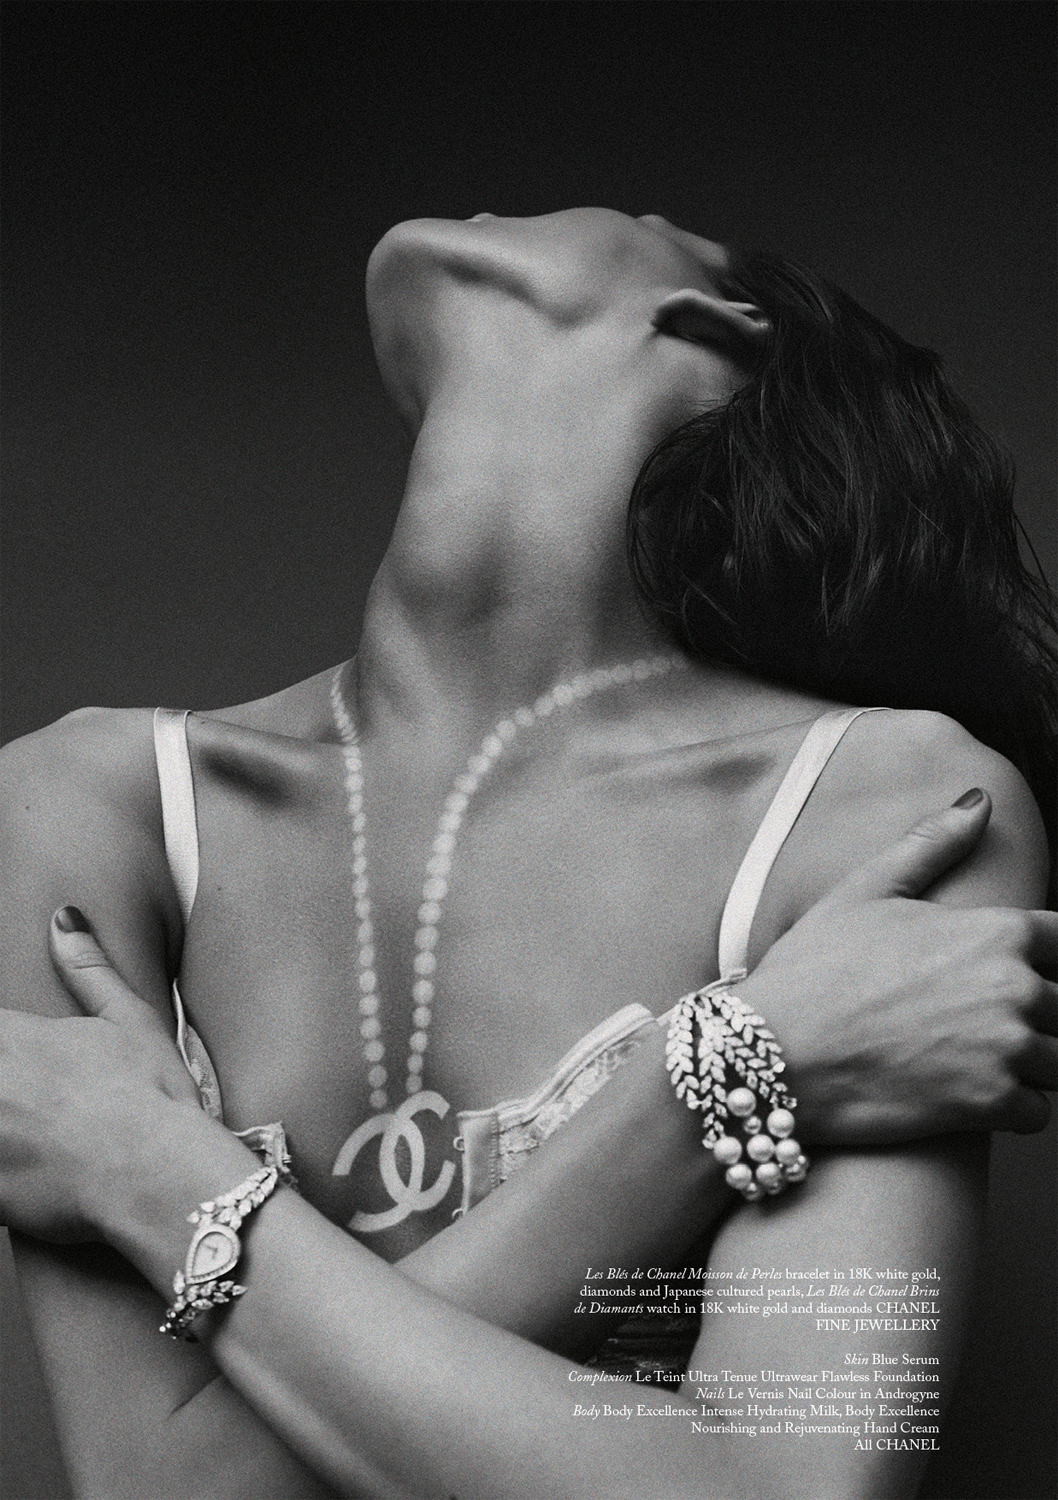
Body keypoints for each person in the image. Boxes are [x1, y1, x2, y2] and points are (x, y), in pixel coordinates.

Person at [0, 208, 1054, 1500]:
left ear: (719, 327)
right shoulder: (81, 810)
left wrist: (144, 1165)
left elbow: (786, 1488)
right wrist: (738, 1075)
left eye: (631, 213)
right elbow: (147, 1488)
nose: (493, 206)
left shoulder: (890, 807)